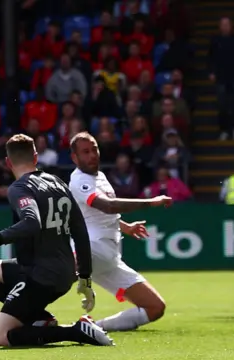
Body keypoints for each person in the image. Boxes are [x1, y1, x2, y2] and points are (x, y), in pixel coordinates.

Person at [0, 134, 113, 347]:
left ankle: (73, 331)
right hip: (61, 272)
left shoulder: (19, 188)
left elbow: (31, 222)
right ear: (36, 158)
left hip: (41, 277)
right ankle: (39, 319)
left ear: (8, 162)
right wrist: (85, 279)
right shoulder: (57, 182)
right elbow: (80, 231)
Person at [68, 131, 170, 332]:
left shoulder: (101, 176)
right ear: (74, 157)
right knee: (53, 274)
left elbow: (103, 215)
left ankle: (93, 327)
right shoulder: (79, 181)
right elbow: (108, 206)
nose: (92, 155)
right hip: (91, 250)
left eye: (94, 149)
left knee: (155, 307)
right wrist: (151, 202)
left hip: (110, 260)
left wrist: (126, 227)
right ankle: (20, 312)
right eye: (85, 152)